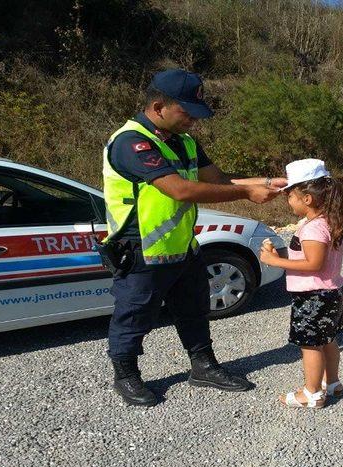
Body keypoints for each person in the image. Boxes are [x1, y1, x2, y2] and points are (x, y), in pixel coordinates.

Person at [102, 68, 286, 407]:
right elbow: (180, 189)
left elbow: (217, 179)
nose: (194, 121)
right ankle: (126, 375)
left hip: (183, 246)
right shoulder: (132, 142)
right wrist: (247, 194)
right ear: (159, 107)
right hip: (141, 249)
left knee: (194, 310)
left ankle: (203, 367)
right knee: (134, 315)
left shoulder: (185, 141)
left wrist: (265, 180)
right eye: (187, 112)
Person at [259, 159, 343, 409]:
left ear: (307, 198)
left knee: (310, 345)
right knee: (327, 339)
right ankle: (332, 383)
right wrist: (281, 254)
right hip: (331, 291)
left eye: (290, 197)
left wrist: (274, 261)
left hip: (314, 295)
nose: (289, 202)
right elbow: (310, 257)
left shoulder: (313, 228)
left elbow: (314, 264)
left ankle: (311, 393)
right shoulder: (329, 220)